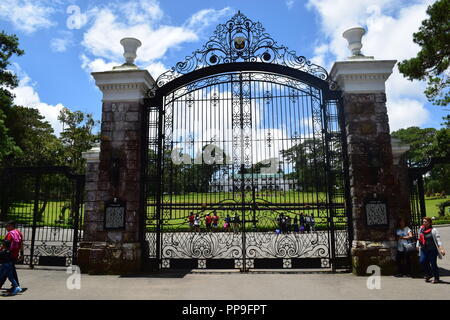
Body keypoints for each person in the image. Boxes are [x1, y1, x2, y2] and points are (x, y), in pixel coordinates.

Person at [417, 217, 446, 283]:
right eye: (423, 221)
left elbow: (438, 240)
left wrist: (441, 249)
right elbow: (419, 237)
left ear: (429, 223)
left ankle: (436, 278)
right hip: (424, 249)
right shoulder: (421, 229)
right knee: (422, 261)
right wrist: (417, 245)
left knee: (433, 264)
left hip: (432, 250)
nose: (424, 223)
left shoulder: (434, 230)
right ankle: (429, 274)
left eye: (425, 222)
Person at [0, 221, 23, 291]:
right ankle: (15, 285)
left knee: (6, 271)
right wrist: (21, 254)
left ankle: (16, 286)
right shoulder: (19, 233)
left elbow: (5, 245)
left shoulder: (10, 234)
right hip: (14, 254)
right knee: (9, 271)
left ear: (12, 226)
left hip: (7, 255)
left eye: (7, 226)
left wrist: (1, 250)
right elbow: (21, 244)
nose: (6, 228)